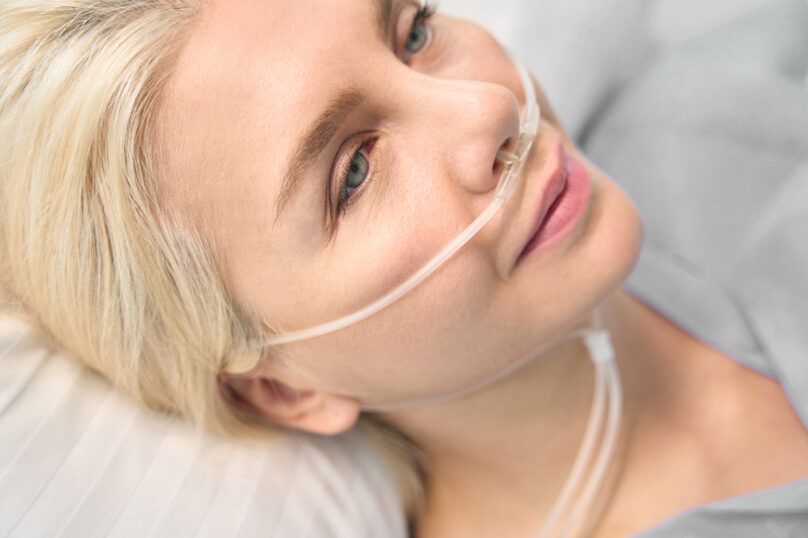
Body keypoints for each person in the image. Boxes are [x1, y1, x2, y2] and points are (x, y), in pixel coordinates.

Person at [1, 1, 807, 537]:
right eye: (353, 172)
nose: (488, 108)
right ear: (284, 389)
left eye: (413, 31)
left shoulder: (712, 107)